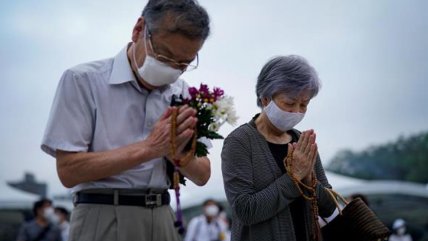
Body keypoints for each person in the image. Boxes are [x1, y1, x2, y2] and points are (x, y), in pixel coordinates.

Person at [41, 0, 211, 240]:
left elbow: (202, 175)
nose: (172, 68)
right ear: (139, 29)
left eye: (184, 63)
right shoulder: (83, 81)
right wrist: (150, 148)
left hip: (164, 215)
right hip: (103, 214)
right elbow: (68, 171)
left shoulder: (182, 92)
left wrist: (177, 152)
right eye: (164, 55)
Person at [221, 55, 337, 241]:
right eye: (290, 103)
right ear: (266, 98)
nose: (297, 111)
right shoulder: (240, 141)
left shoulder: (302, 141)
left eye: (304, 105)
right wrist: (294, 179)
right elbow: (245, 211)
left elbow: (330, 206)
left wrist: (309, 180)